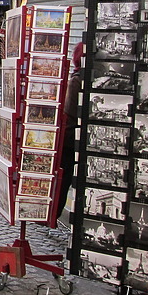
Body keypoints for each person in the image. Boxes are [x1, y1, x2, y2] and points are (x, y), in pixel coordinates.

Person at [57, 42, 84, 214]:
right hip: (74, 136)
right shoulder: (79, 79)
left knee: (64, 174)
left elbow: (68, 111)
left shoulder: (77, 79)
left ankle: (54, 211)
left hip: (70, 136)